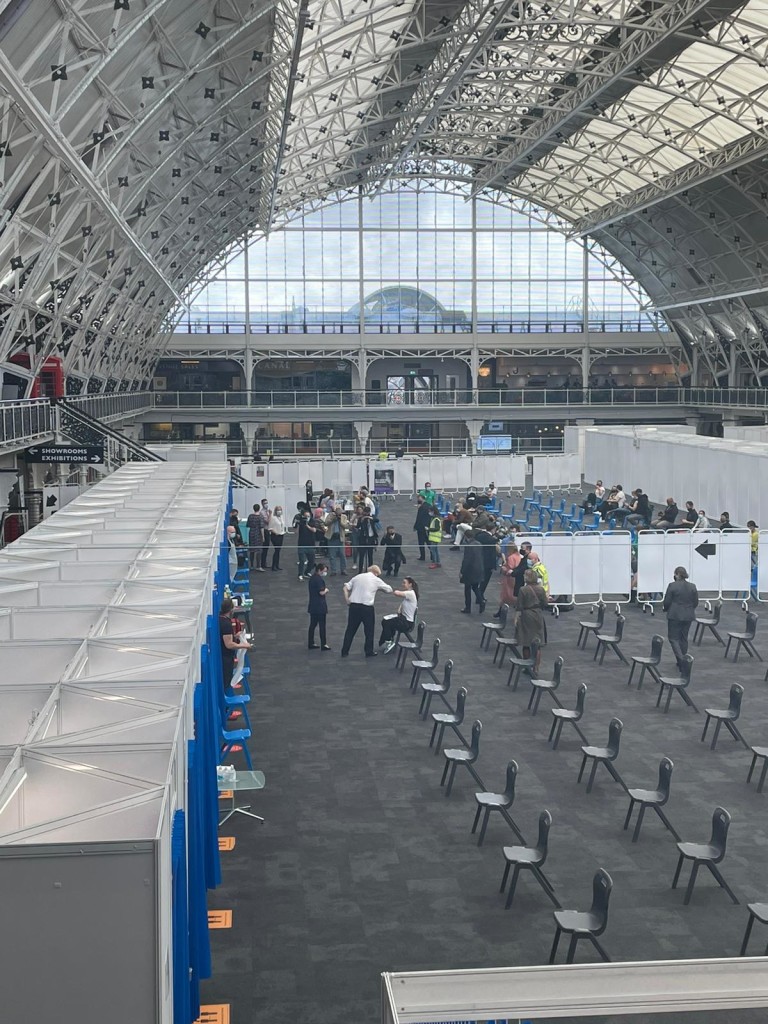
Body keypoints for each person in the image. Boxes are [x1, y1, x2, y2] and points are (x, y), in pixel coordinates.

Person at [340, 565, 393, 658]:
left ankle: (345, 651)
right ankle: (368, 651)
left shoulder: (358, 577)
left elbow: (345, 587)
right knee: (369, 631)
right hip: (366, 608)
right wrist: (379, 588)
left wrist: (347, 600)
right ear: (376, 573)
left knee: (350, 630)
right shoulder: (376, 580)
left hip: (354, 606)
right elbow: (389, 589)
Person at [662, 565, 699, 672]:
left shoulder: (672, 586)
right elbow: (695, 602)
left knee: (673, 638)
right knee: (684, 638)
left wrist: (666, 609)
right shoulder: (692, 586)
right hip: (688, 615)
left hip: (674, 615)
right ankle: (682, 661)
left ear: (677, 574)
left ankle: (681, 660)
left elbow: (667, 601)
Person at [515, 569, 549, 674]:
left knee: (526, 642)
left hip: (526, 616)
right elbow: (545, 603)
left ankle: (527, 666)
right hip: (538, 615)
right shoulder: (541, 589)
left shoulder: (523, 590)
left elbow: (519, 606)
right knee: (537, 643)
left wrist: (516, 618)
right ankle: (536, 667)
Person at [219, 596, 253, 691]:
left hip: (225, 656)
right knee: (226, 682)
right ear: (230, 610)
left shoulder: (221, 620)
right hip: (225, 658)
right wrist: (245, 645)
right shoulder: (226, 624)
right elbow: (229, 644)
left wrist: (235, 636)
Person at [378, 576, 419, 653]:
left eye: (404, 583)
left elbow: (397, 593)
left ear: (410, 584)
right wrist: (399, 609)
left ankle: (388, 641)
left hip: (406, 623)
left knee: (387, 622)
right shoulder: (409, 594)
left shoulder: (410, 593)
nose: (402, 584)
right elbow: (403, 604)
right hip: (404, 619)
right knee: (386, 620)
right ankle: (389, 639)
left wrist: (391, 590)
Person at [459, 529, 485, 613]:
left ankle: (468, 607)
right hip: (479, 568)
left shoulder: (469, 546)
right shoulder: (479, 544)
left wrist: (462, 571)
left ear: (466, 536)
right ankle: (481, 601)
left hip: (470, 570)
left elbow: (466, 560)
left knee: (467, 589)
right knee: (475, 587)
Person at [307, 562, 331, 650]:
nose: (324, 573)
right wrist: (326, 590)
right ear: (319, 570)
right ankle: (323, 644)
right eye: (323, 571)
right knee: (322, 625)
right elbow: (321, 592)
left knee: (312, 625)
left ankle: (311, 642)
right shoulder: (319, 580)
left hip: (313, 605)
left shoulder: (312, 578)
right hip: (320, 606)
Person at [474, 515, 498, 600]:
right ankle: (480, 597)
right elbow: (492, 554)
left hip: (477, 561)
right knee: (484, 581)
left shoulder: (478, 535)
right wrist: (493, 566)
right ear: (493, 529)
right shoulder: (491, 540)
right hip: (487, 564)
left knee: (477, 580)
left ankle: (479, 596)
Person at [496, 542, 522, 616]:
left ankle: (500, 612)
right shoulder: (518, 556)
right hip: (515, 579)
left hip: (509, 580)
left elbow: (509, 569)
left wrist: (504, 568)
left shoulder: (511, 557)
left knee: (505, 596)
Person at [294, 505, 318, 580]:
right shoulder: (301, 522)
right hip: (302, 544)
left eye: (308, 516)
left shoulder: (312, 521)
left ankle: (307, 572)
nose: (307, 518)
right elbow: (296, 532)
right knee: (301, 560)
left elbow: (314, 530)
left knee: (311, 561)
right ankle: (300, 574)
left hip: (311, 544)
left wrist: (307, 525)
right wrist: (297, 524)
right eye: (305, 516)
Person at [324, 506, 349, 576]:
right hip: (332, 538)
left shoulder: (344, 517)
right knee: (332, 555)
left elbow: (346, 526)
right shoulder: (330, 515)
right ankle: (333, 570)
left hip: (340, 538)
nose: (339, 514)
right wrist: (333, 519)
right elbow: (326, 523)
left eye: (340, 512)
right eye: (338, 512)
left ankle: (343, 570)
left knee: (342, 555)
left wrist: (340, 520)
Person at [356, 505, 379, 572]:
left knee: (370, 556)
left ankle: (370, 570)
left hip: (371, 538)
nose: (366, 514)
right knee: (361, 556)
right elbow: (358, 526)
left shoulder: (371, 517)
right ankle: (360, 570)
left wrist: (370, 518)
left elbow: (377, 520)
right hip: (363, 538)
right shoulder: (361, 518)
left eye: (367, 512)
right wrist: (362, 520)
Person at [246, 502, 265, 570]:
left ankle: (251, 565)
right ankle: (258, 566)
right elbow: (262, 527)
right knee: (259, 550)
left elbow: (248, 525)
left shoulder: (250, 516)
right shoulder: (260, 517)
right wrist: (263, 537)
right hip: (258, 534)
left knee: (252, 550)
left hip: (251, 533)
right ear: (259, 509)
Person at [268, 505, 286, 570]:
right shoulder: (273, 518)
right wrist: (276, 533)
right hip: (275, 536)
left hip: (281, 535)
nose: (279, 511)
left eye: (280, 510)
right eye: (278, 510)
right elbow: (270, 528)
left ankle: (277, 565)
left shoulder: (281, 517)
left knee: (278, 551)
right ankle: (273, 566)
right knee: (276, 550)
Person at [413, 497, 431, 562]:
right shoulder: (428, 505)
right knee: (428, 542)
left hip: (421, 527)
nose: (418, 499)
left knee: (421, 542)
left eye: (419, 498)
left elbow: (419, 518)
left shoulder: (422, 508)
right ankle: (432, 555)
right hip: (426, 527)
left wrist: (415, 526)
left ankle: (422, 556)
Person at [258, 498, 272, 569]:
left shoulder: (267, 511)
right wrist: (270, 514)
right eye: (265, 503)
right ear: (262, 504)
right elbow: (267, 521)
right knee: (264, 547)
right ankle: (262, 563)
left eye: (267, 502)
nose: (266, 504)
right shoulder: (262, 512)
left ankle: (264, 562)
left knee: (267, 547)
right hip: (265, 530)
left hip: (268, 530)